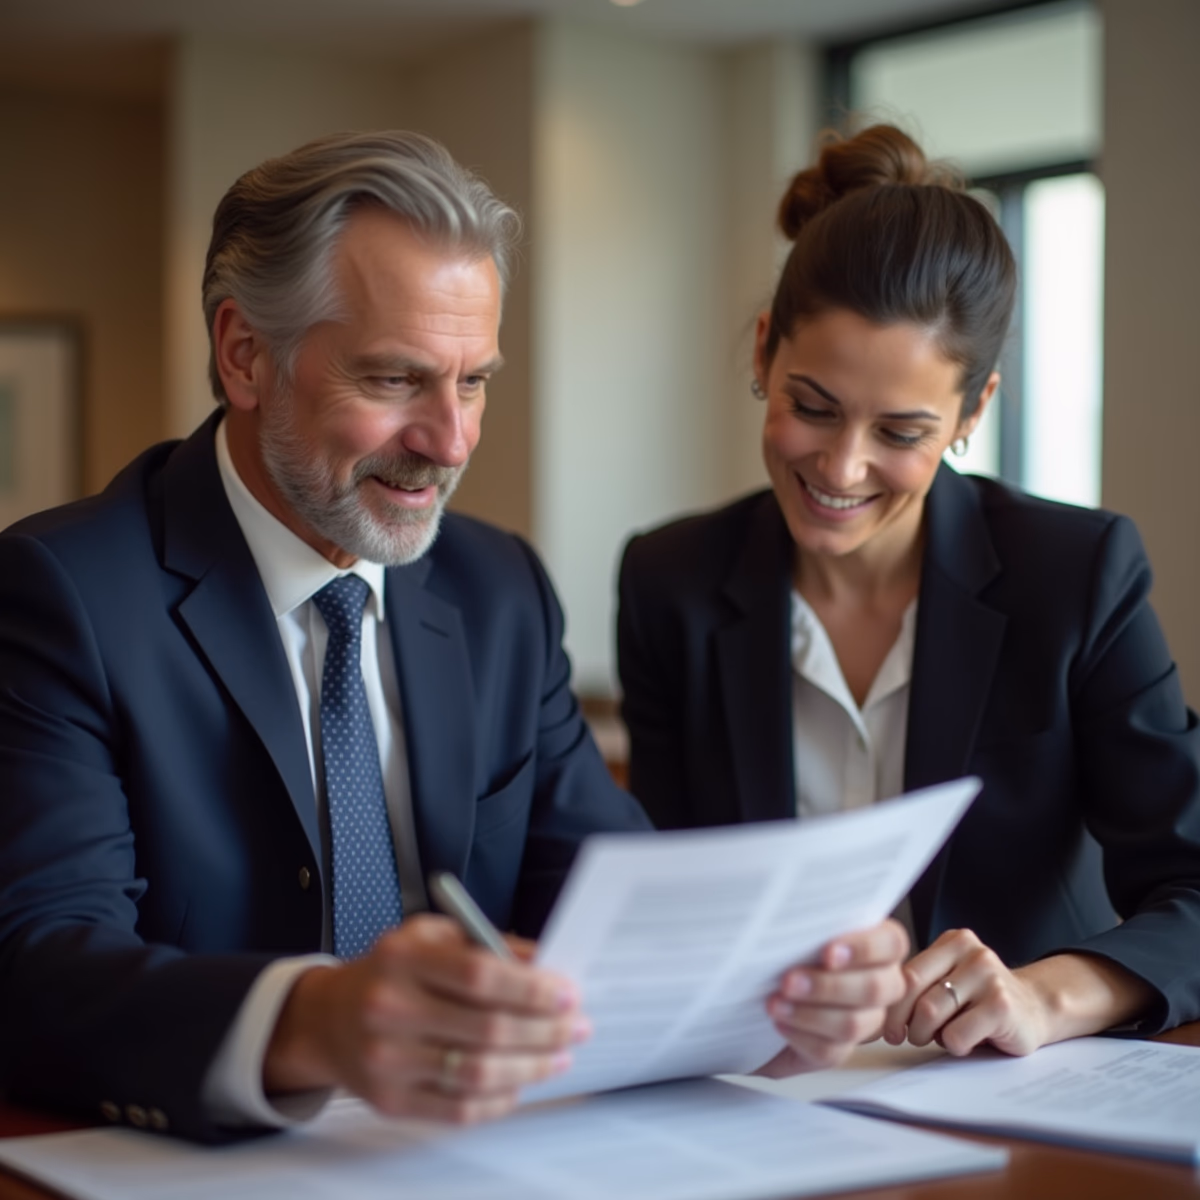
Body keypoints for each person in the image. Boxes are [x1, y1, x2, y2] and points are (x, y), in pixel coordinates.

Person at [0, 130, 905, 1144]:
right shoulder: (62, 594)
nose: (452, 441)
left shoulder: (499, 590)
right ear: (245, 353)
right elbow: (38, 965)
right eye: (396, 380)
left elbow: (609, 910)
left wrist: (773, 998)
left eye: (473, 382)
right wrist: (313, 1021)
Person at [618, 124, 1200, 1062]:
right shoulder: (668, 581)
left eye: (900, 432)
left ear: (974, 411)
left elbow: (1194, 888)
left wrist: (1043, 995)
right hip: (758, 1085)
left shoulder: (1077, 574)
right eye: (812, 407)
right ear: (764, 352)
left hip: (1008, 1088)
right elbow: (664, 896)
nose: (841, 467)